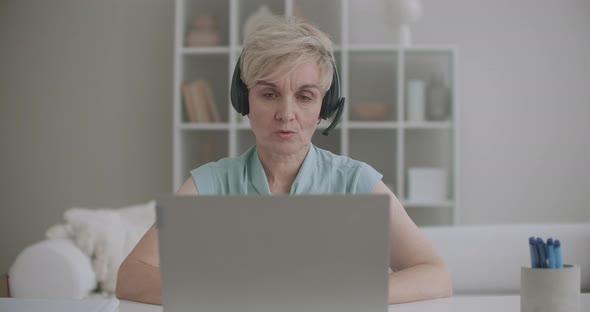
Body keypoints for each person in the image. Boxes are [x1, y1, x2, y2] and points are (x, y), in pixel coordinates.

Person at [116, 15, 452, 305]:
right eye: (269, 94)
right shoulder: (209, 183)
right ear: (244, 99)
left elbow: (436, 275)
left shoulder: (356, 181)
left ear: (325, 105)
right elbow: (131, 276)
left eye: (304, 96)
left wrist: (347, 291)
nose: (286, 114)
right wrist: (230, 294)